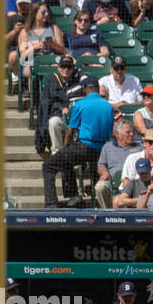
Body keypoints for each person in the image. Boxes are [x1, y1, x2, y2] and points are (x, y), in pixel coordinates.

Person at [43, 76, 112, 207]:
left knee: (48, 166)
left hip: (84, 147)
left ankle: (51, 204)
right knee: (66, 160)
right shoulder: (108, 106)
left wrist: (65, 146)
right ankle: (75, 198)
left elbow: (70, 130)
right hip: (101, 150)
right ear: (98, 89)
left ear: (85, 90)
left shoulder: (80, 104)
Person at [95, 119, 139, 208]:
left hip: (134, 180)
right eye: (128, 132)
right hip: (113, 181)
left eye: (132, 132)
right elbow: (101, 165)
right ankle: (107, 213)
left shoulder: (139, 147)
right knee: (100, 187)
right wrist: (104, 173)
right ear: (117, 134)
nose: (131, 134)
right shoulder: (107, 147)